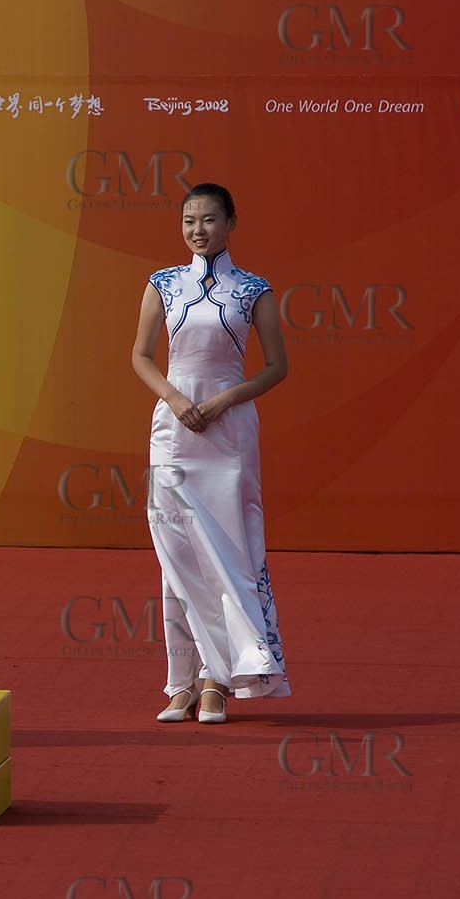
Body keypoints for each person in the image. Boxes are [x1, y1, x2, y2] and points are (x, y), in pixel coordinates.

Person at [130, 183, 290, 723]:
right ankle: (180, 683)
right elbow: (140, 355)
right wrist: (175, 398)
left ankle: (217, 682)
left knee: (228, 556)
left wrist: (224, 399)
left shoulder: (253, 290)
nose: (198, 230)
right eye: (189, 220)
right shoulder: (163, 283)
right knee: (176, 555)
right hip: (173, 431)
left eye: (210, 219)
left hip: (229, 435)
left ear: (231, 223)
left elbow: (276, 367)